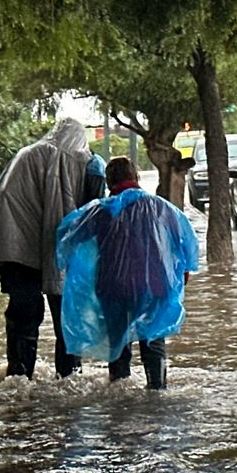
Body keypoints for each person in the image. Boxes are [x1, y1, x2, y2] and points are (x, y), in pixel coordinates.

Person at [0, 118, 106, 379]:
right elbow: (92, 214)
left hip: (13, 249)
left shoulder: (26, 154)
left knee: (23, 318)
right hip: (50, 250)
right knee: (67, 318)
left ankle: (19, 378)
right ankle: (69, 379)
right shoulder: (80, 162)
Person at [55, 156, 198, 389]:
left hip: (114, 287)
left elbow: (69, 239)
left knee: (118, 344)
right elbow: (185, 244)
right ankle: (157, 389)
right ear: (136, 177)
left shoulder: (100, 211)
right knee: (153, 338)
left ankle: (120, 395)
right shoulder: (161, 207)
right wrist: (182, 274)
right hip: (155, 285)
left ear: (109, 181)